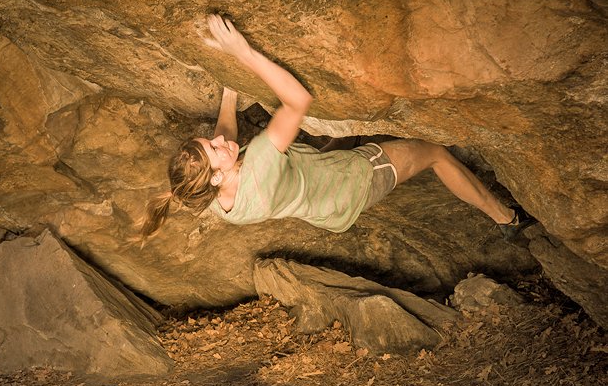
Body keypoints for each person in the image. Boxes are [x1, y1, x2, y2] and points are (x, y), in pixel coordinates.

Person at [139, 14, 535, 244]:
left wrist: (230, 87)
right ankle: (506, 220)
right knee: (433, 152)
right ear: (217, 176)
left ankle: (347, 143)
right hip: (355, 180)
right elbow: (298, 101)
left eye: (207, 139)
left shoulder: (216, 201)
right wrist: (242, 54)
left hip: (322, 204)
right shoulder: (258, 162)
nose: (220, 139)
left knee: (319, 148)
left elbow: (229, 141)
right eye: (214, 149)